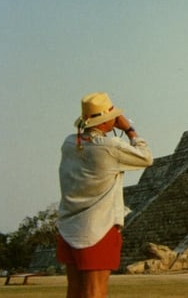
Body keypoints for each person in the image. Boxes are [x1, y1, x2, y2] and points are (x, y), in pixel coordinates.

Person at [56, 92, 153, 298]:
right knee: (95, 291)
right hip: (97, 228)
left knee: (74, 290)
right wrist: (129, 129)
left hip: (69, 229)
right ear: (106, 120)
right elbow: (146, 158)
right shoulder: (110, 147)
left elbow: (86, 140)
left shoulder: (69, 144)